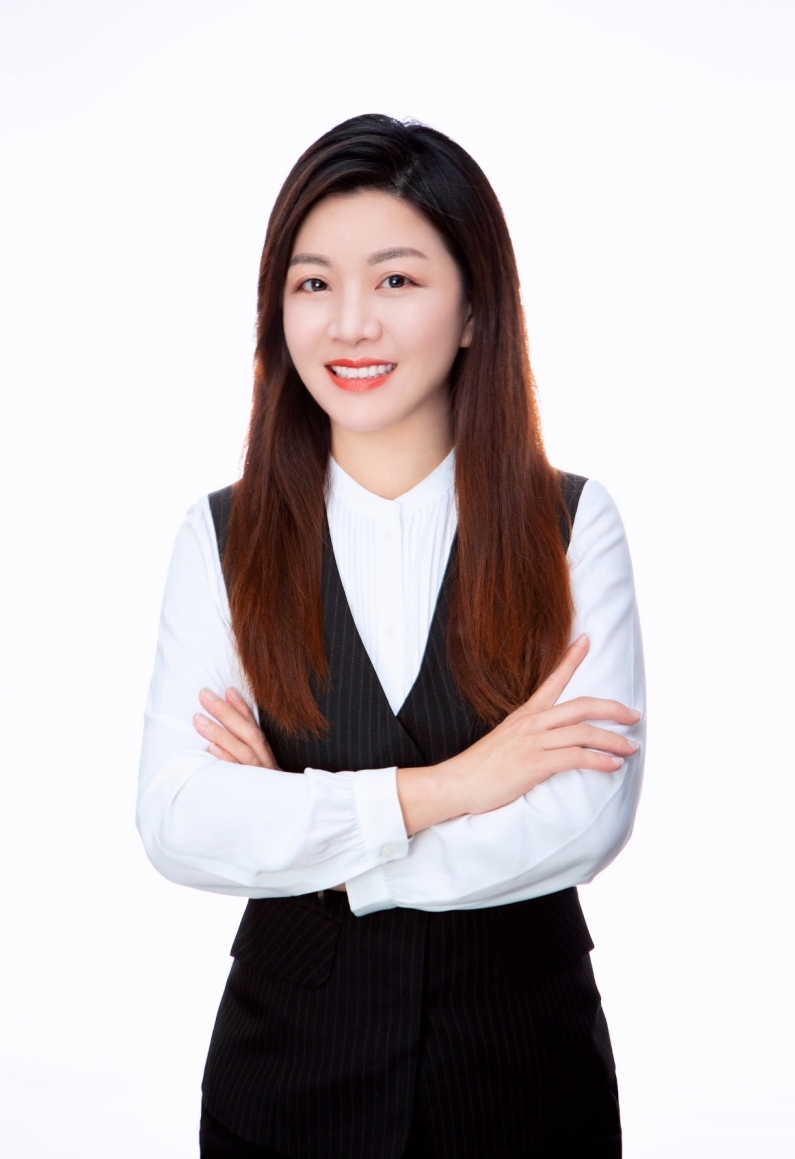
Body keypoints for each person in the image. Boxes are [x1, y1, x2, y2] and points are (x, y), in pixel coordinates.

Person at [137, 113, 645, 1159]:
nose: (349, 324)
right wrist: (456, 785)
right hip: (285, 1085)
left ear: (474, 310)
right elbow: (181, 818)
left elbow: (582, 820)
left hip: (524, 1080)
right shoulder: (220, 537)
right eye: (313, 284)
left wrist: (318, 844)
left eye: (397, 280)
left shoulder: (571, 524)